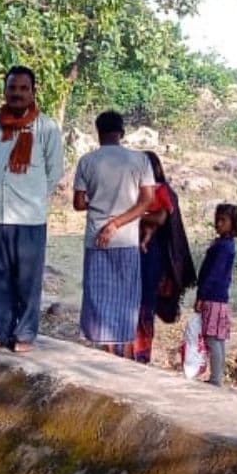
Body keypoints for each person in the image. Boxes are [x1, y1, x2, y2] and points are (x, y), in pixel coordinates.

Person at [0, 66, 64, 353]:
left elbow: (54, 172)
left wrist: (34, 196)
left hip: (29, 217)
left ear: (33, 92)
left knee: (27, 280)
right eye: (12, 88)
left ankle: (25, 333)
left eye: (23, 88)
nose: (17, 93)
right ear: (4, 91)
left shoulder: (47, 128)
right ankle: (0, 331)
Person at [72, 111, 162, 352]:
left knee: (98, 299)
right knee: (124, 299)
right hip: (126, 239)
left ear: (97, 132)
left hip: (96, 239)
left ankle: (103, 351)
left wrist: (100, 206)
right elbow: (146, 201)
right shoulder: (140, 160)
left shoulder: (87, 161)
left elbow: (79, 203)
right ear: (121, 133)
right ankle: (121, 355)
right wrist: (118, 222)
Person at [124, 151, 197, 363]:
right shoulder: (134, 191)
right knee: (129, 305)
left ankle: (141, 354)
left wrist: (134, 217)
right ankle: (127, 351)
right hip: (132, 253)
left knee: (144, 305)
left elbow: (160, 217)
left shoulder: (164, 191)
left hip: (152, 257)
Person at [195, 203, 237, 386]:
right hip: (220, 297)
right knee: (218, 338)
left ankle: (215, 379)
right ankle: (217, 377)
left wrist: (202, 295)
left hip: (213, 297)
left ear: (233, 223)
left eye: (223, 220)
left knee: (212, 339)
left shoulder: (222, 247)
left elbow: (213, 274)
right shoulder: (227, 244)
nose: (218, 223)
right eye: (217, 219)